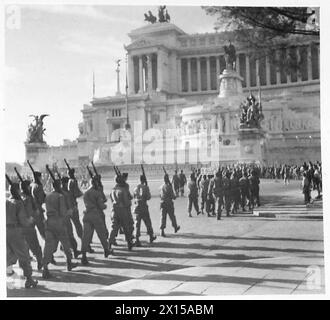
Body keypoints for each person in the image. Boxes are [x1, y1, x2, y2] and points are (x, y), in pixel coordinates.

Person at [42, 179, 77, 279]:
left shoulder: (48, 196)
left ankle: (45, 268)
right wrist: (69, 211)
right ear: (59, 186)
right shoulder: (60, 196)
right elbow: (62, 212)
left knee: (48, 246)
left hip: (49, 222)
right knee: (65, 243)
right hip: (58, 222)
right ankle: (69, 263)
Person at [6, 182, 38, 288]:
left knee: (8, 255)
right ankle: (29, 279)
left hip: (5, 231)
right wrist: (31, 219)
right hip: (15, 231)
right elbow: (24, 221)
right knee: (23, 255)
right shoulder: (18, 203)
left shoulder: (6, 201)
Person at [81, 176, 111, 265]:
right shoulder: (97, 193)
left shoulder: (86, 193)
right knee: (101, 234)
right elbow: (101, 205)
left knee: (85, 237)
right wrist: (105, 206)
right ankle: (106, 250)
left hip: (87, 215)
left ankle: (83, 256)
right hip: (96, 215)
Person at [20, 180, 43, 271]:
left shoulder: (18, 197)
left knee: (24, 248)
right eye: (29, 186)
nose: (30, 187)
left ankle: (27, 268)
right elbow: (32, 212)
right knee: (35, 246)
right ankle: (40, 263)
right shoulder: (28, 198)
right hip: (28, 227)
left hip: (20, 228)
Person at [108, 175, 134, 252]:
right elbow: (126, 202)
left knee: (113, 228)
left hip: (114, 210)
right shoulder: (123, 190)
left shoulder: (113, 190)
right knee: (126, 227)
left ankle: (109, 244)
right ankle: (129, 243)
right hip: (122, 210)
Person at [133, 175, 157, 246]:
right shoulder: (145, 187)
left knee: (137, 224)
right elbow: (148, 197)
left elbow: (134, 197)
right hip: (143, 207)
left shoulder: (135, 188)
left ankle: (137, 239)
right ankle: (151, 236)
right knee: (148, 222)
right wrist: (147, 188)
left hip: (137, 207)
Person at [61, 177, 81, 259]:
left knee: (64, 234)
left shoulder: (64, 192)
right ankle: (75, 251)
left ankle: (63, 247)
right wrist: (72, 208)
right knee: (69, 234)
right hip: (66, 215)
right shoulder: (64, 193)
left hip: (62, 216)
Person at [67, 168, 84, 242]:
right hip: (72, 205)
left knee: (68, 226)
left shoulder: (66, 181)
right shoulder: (73, 181)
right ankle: (83, 239)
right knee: (77, 223)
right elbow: (76, 194)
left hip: (66, 206)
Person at [30, 171, 46, 239]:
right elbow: (41, 200)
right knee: (44, 230)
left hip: (31, 210)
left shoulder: (31, 185)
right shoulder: (39, 186)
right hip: (38, 210)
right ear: (39, 177)